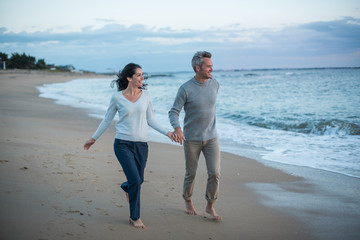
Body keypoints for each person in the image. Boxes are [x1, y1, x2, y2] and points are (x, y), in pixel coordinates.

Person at [84, 63, 173, 229]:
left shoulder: (146, 95)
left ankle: (126, 187)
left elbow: (151, 120)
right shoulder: (117, 97)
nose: (142, 78)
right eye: (138, 75)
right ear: (129, 78)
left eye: (142, 74)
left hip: (141, 146)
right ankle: (135, 217)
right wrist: (93, 138)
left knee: (138, 181)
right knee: (135, 179)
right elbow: (107, 120)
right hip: (122, 144)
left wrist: (167, 132)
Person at [169, 51, 222, 220]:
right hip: (191, 139)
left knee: (214, 172)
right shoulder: (185, 88)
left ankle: (210, 205)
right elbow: (173, 112)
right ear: (197, 68)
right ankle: (188, 200)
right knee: (190, 173)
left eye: (212, 66)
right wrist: (177, 128)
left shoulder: (215, 84)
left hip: (212, 137)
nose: (211, 70)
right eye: (208, 66)